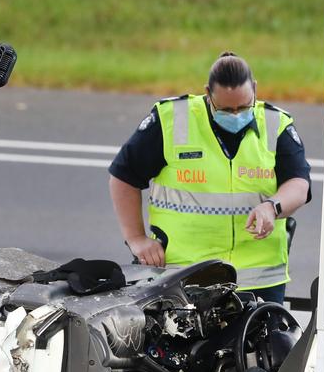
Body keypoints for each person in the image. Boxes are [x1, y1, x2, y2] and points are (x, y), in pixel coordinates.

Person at [108, 52, 311, 304]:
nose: (236, 115)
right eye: (226, 109)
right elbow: (123, 177)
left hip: (259, 280)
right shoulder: (173, 120)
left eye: (244, 106)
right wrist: (136, 238)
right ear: (208, 94)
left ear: (255, 89)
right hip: (183, 276)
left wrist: (272, 207)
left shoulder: (275, 124)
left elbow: (299, 184)